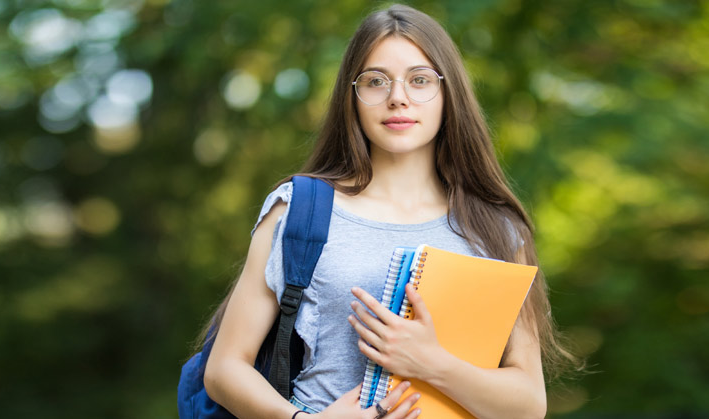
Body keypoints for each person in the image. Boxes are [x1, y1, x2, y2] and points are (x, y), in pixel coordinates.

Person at [197, 4, 575, 419]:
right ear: (352, 96)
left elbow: (528, 405)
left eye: (420, 80)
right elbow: (225, 369)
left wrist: (431, 364)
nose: (398, 98)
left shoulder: (497, 228)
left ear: (449, 95)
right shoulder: (299, 210)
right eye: (376, 81)